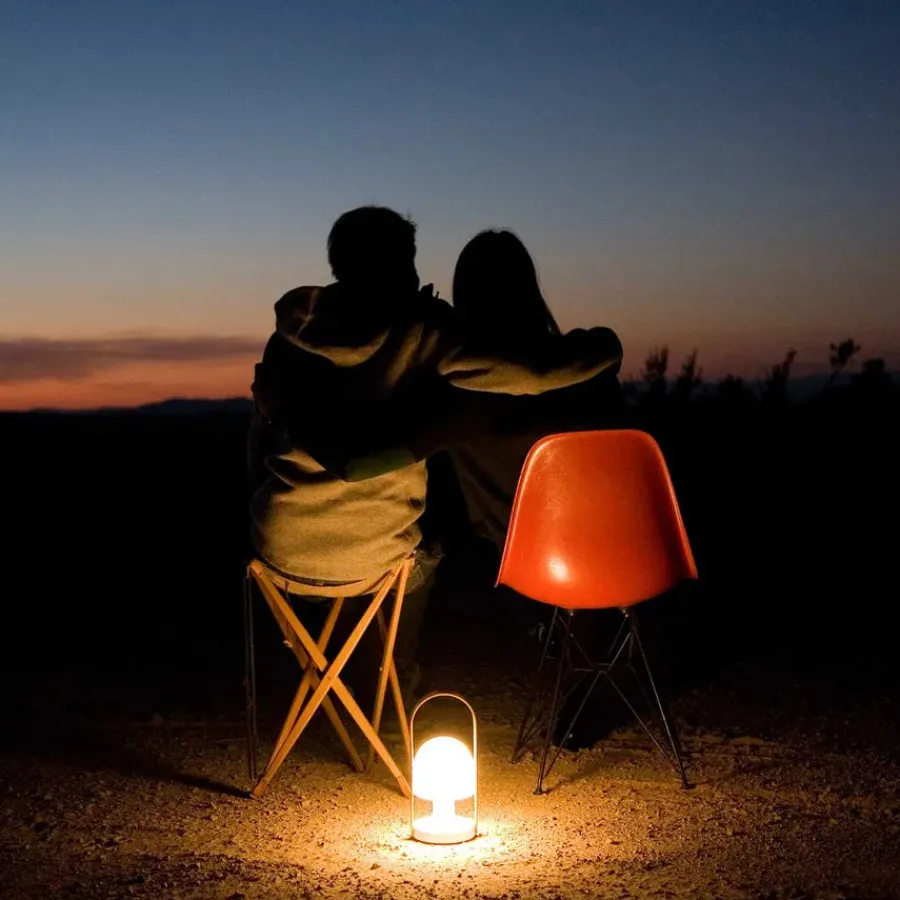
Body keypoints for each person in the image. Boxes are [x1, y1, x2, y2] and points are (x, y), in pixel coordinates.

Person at [248, 208, 624, 717]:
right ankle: (390, 694)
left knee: (410, 524)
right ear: (401, 264)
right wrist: (605, 344)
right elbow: (533, 372)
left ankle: (355, 680)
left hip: (278, 554)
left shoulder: (289, 337)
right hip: (380, 560)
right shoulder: (428, 333)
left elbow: (259, 447)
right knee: (425, 543)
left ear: (339, 265)